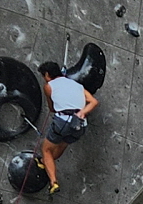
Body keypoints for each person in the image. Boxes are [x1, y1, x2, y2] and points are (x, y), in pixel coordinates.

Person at [35, 62, 98, 192]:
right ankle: (44, 162)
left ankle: (53, 182)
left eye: (43, 76)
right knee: (62, 145)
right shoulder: (78, 86)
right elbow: (94, 101)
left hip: (63, 121)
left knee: (46, 150)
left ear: (47, 74)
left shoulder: (48, 86)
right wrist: (82, 112)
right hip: (80, 125)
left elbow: (52, 108)